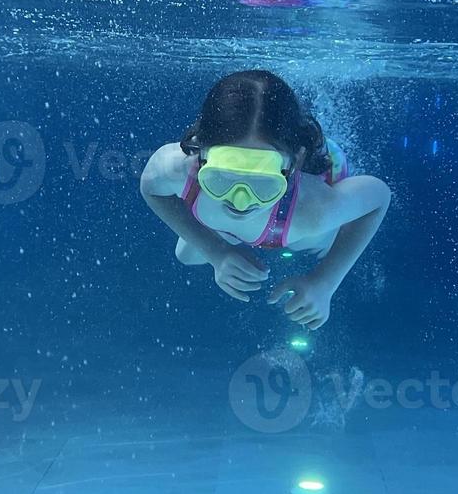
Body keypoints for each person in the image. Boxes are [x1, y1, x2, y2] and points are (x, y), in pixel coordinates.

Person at [139, 70, 391, 329]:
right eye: (222, 178)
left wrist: (325, 282)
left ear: (294, 167)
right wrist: (215, 252)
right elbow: (150, 189)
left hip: (295, 209)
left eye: (262, 183)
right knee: (186, 255)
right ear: (200, 154)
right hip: (270, 192)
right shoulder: (175, 168)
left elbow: (379, 196)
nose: (241, 202)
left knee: (320, 241)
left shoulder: (313, 210)